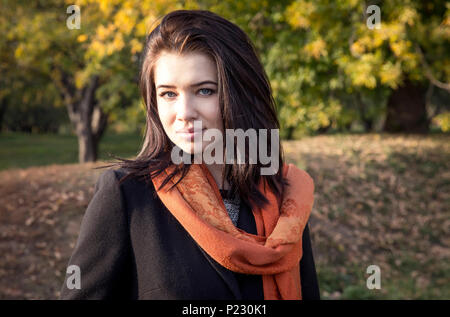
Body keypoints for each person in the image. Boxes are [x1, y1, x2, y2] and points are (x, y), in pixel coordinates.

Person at [60, 9, 320, 300]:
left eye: (205, 91)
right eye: (168, 94)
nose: (184, 113)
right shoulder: (127, 195)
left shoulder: (285, 197)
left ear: (242, 94)